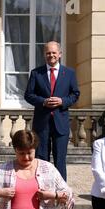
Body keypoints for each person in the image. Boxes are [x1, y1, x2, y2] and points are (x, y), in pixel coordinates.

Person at [24, 41, 80, 181]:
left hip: (60, 122)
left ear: (60, 54)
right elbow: (28, 95)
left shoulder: (69, 73)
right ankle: (41, 186)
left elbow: (75, 94)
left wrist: (63, 101)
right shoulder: (36, 73)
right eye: (48, 53)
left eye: (54, 52)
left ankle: (61, 189)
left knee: (60, 158)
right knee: (41, 158)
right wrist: (43, 101)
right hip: (42, 123)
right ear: (44, 55)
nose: (51, 55)